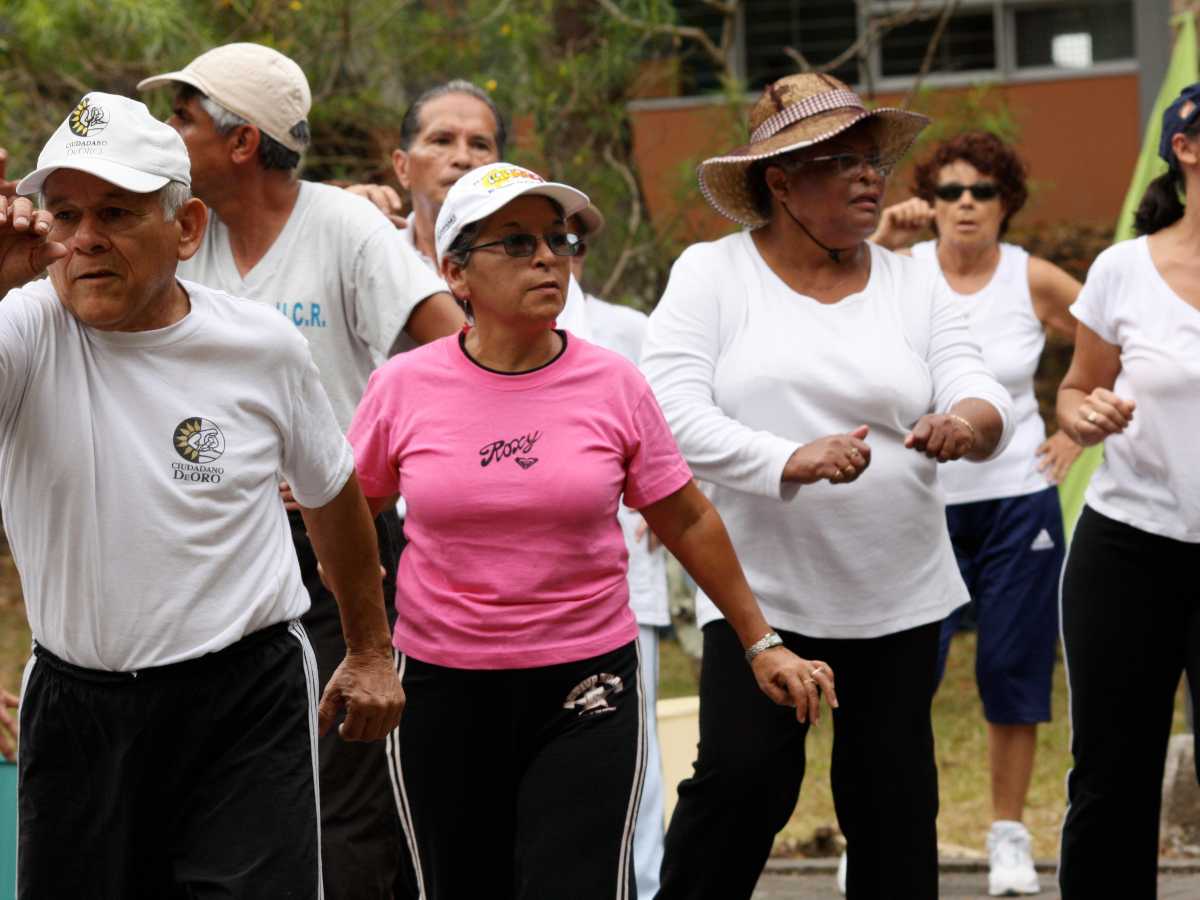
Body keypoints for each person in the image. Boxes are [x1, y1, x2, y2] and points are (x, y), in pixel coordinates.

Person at [347, 161, 831, 899]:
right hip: (443, 685)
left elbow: (688, 515)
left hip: (587, 683)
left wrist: (761, 642)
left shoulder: (613, 382)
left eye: (558, 240)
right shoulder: (404, 386)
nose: (547, 258)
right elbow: (352, 517)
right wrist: (366, 649)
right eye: (515, 244)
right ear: (455, 274)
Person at [0, 92, 403, 898]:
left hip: (242, 703)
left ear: (185, 229)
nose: (85, 239)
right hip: (77, 706)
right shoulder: (24, 328)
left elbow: (332, 497)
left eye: (115, 212)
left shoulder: (260, 347)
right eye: (67, 213)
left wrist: (367, 650)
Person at [640, 74, 1015, 900]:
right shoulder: (714, 275)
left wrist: (970, 423)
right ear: (779, 181)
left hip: (898, 594)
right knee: (741, 788)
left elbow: (976, 385)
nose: (869, 176)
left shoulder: (913, 282)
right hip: (761, 598)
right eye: (841, 160)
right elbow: (664, 414)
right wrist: (785, 459)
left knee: (893, 809)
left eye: (873, 158)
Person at [136, 44, 462, 900]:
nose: (168, 134)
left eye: (184, 117)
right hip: (201, 543)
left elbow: (460, 351)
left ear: (243, 142)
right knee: (216, 779)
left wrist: (376, 462)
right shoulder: (176, 230)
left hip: (334, 541)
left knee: (342, 783)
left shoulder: (343, 229)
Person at [870, 131, 1083, 896]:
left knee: (1010, 670)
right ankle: (882, 827)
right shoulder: (898, 268)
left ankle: (1008, 838)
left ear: (1005, 204)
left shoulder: (1032, 278)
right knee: (899, 677)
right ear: (929, 204)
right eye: (951, 191)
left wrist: (1069, 428)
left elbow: (1115, 339)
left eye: (983, 192)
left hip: (1017, 502)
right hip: (915, 501)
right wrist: (878, 243)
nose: (966, 205)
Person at [1054, 84, 1200, 900]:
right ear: (1186, 146)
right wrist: (1089, 413)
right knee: (1113, 775)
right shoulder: (1123, 269)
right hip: (1129, 549)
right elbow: (1073, 393)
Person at [569, 201, 670, 899]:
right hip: (486, 617)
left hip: (620, 588)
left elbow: (671, 458)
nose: (552, 255)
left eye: (567, 240)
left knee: (634, 763)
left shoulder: (627, 334)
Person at [348, 79, 593, 337]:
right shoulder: (366, 251)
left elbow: (570, 369)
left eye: (479, 145)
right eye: (442, 141)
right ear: (402, 167)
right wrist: (341, 223)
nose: (463, 159)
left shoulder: (541, 268)